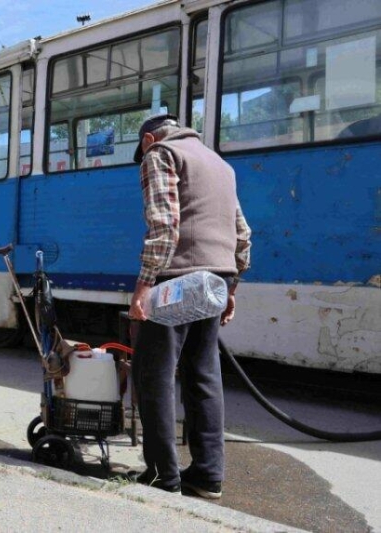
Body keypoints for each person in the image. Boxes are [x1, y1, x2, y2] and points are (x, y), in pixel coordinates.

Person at [127, 114, 252, 499]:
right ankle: (208, 475)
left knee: (155, 374)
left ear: (148, 139)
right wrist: (233, 286)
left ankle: (162, 476)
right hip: (216, 277)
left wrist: (144, 285)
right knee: (203, 376)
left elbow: (164, 225)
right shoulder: (220, 164)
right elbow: (242, 232)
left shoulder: (160, 154)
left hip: (177, 280)